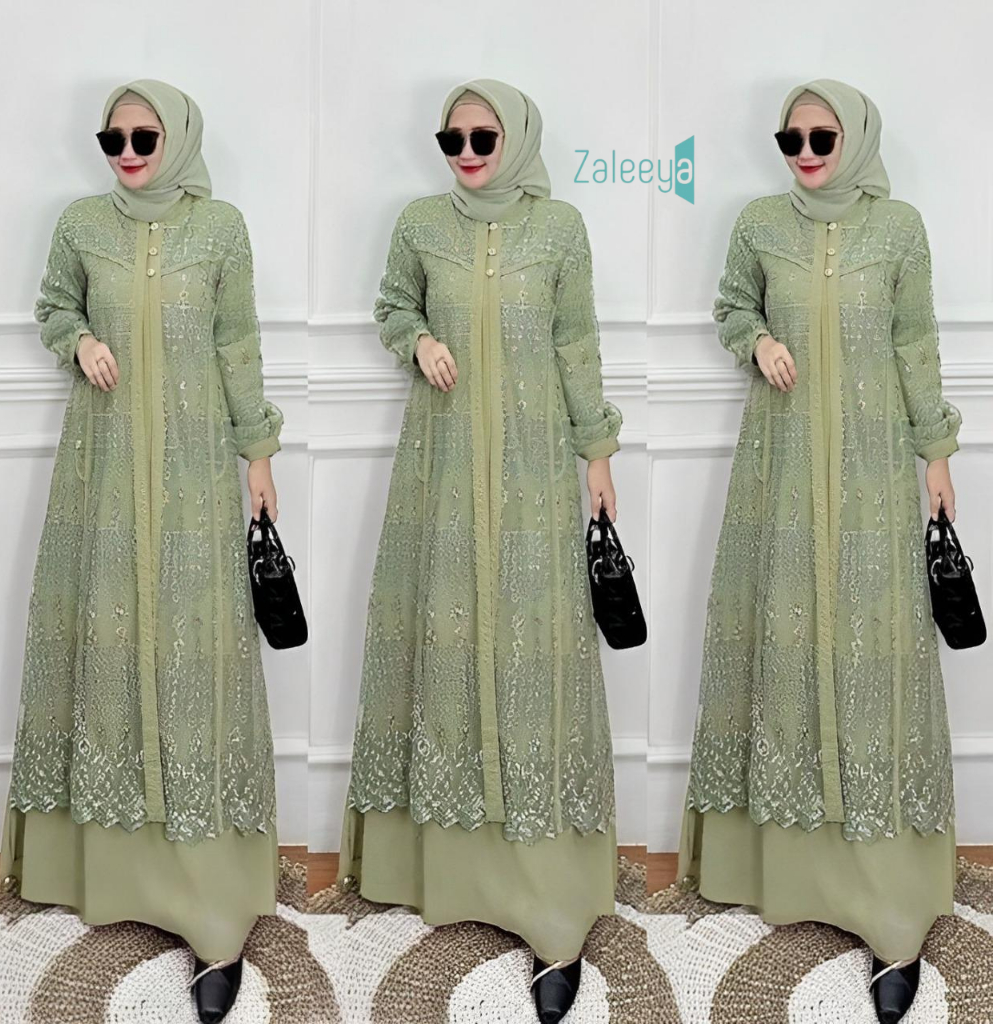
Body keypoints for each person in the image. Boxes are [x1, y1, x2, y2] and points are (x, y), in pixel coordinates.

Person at [0, 79, 283, 1024]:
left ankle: (207, 893)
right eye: (112, 138)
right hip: (104, 470)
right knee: (112, 647)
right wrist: (78, 339)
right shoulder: (82, 224)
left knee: (193, 658)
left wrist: (258, 456)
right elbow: (51, 307)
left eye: (143, 137)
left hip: (196, 471)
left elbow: (237, 346)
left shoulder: (221, 229)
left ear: (178, 139)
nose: (126, 152)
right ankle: (110, 875)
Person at [338, 78, 623, 1024]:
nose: (466, 151)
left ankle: (545, 889)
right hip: (444, 467)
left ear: (518, 138)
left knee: (532, 659)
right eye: (452, 138)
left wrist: (597, 454)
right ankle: (449, 875)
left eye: (483, 136)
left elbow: (577, 345)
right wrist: (418, 339)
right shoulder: (421, 223)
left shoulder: (561, 229)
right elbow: (391, 307)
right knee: (452, 645)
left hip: (536, 468)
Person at [677, 78, 961, 1024]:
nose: (804, 152)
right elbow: (729, 308)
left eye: (821, 137)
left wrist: (937, 455)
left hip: (875, 471)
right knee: (791, 648)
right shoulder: (760, 223)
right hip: (783, 469)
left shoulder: (900, 229)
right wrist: (757, 340)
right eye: (790, 138)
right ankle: (789, 874)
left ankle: (887, 894)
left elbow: (915, 343)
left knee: (873, 662)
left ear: (856, 138)